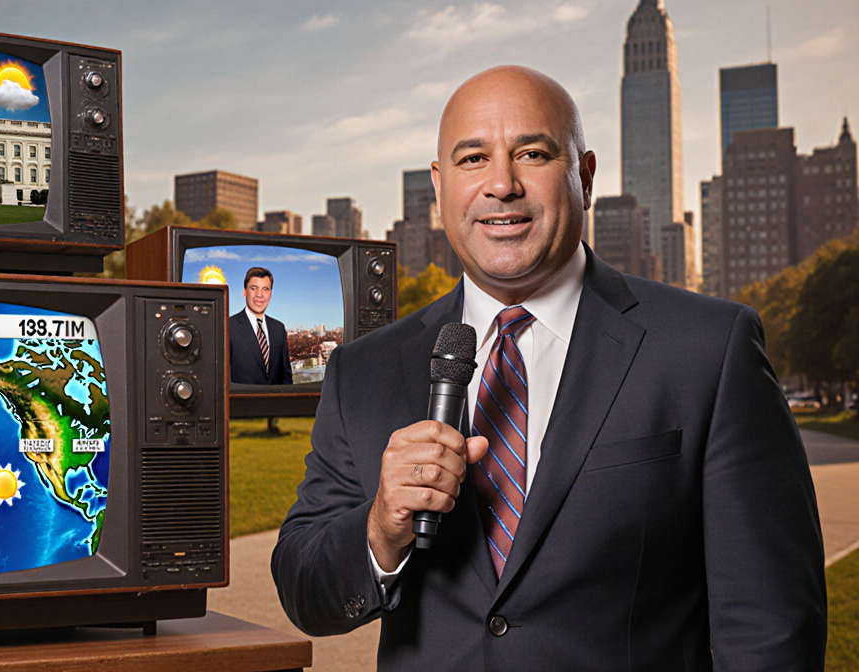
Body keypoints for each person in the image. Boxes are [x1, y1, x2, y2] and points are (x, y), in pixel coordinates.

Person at [271, 66, 826, 670]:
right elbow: (305, 591)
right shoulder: (364, 370)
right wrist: (379, 529)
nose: (501, 184)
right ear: (439, 186)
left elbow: (772, 631)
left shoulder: (709, 351)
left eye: (531, 153)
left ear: (583, 176)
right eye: (472, 159)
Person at [230, 267, 294, 385]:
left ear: (271, 293)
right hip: (241, 402)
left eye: (265, 289)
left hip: (275, 403)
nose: (260, 295)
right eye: (254, 288)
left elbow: (286, 376)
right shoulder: (229, 327)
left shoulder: (278, 328)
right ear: (245, 292)